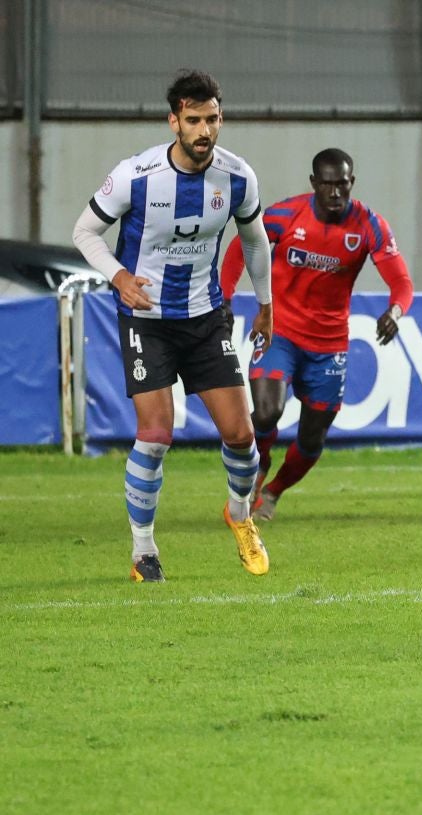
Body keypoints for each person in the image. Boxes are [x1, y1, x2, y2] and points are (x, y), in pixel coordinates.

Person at [69, 70, 272, 581]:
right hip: (146, 321)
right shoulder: (136, 175)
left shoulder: (238, 176)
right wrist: (118, 276)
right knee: (156, 435)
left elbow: (254, 240)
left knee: (243, 437)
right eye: (195, 120)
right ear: (174, 121)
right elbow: (85, 231)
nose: (205, 131)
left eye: (213, 119)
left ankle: (240, 516)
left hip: (205, 319)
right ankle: (144, 553)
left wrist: (265, 302)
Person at [217, 148, 414, 519]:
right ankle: (259, 469)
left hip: (329, 344)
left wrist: (396, 310)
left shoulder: (369, 225)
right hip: (280, 332)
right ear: (314, 184)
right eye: (328, 185)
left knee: (312, 438)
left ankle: (274, 492)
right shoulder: (285, 214)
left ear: (351, 182)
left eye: (343, 184)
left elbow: (401, 281)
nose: (336, 193)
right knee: (265, 413)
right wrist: (224, 299)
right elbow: (240, 247)